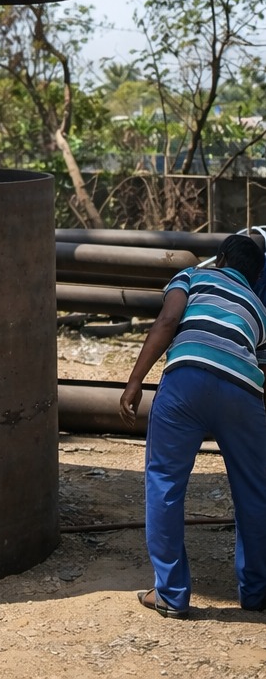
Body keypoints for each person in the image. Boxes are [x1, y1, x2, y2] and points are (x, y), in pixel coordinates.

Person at [119, 232, 266, 617]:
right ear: (256, 277)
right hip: (244, 393)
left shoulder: (193, 276)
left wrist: (135, 381)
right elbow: (259, 365)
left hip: (186, 380)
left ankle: (170, 595)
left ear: (220, 259)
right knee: (255, 492)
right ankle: (256, 592)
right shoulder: (259, 306)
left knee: (165, 482)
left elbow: (168, 320)